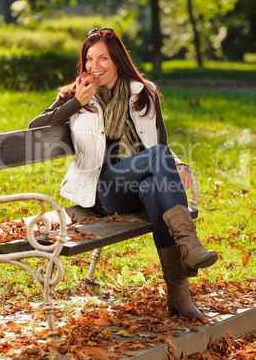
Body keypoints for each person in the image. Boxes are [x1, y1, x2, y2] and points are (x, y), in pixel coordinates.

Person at [29, 27, 218, 320]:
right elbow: (34, 130)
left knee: (156, 191)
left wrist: (180, 166)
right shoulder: (75, 95)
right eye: (89, 59)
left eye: (102, 58)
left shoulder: (144, 93)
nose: (95, 66)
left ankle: (180, 296)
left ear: (117, 60)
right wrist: (75, 103)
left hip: (138, 186)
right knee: (156, 162)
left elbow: (161, 144)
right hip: (102, 191)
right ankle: (190, 247)